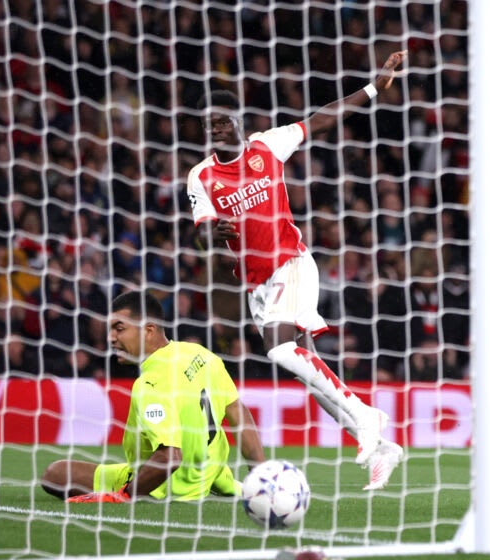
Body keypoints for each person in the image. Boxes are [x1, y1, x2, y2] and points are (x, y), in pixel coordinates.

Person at [185, 50, 407, 490]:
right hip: (256, 283)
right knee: (308, 367)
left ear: (238, 122)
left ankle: (367, 417)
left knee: (279, 349)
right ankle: (382, 446)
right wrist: (214, 233)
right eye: (210, 124)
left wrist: (370, 88)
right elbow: (200, 234)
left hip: (293, 261)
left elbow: (322, 118)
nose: (217, 129)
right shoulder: (201, 177)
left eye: (223, 121)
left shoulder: (268, 145)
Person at [40, 291, 264, 502]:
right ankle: (235, 485)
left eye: (119, 329)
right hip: (211, 470)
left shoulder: (150, 384)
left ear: (148, 330)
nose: (111, 338)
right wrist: (261, 475)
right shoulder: (200, 354)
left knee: (55, 473)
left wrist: (125, 495)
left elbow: (169, 458)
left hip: (167, 488)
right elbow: (238, 412)